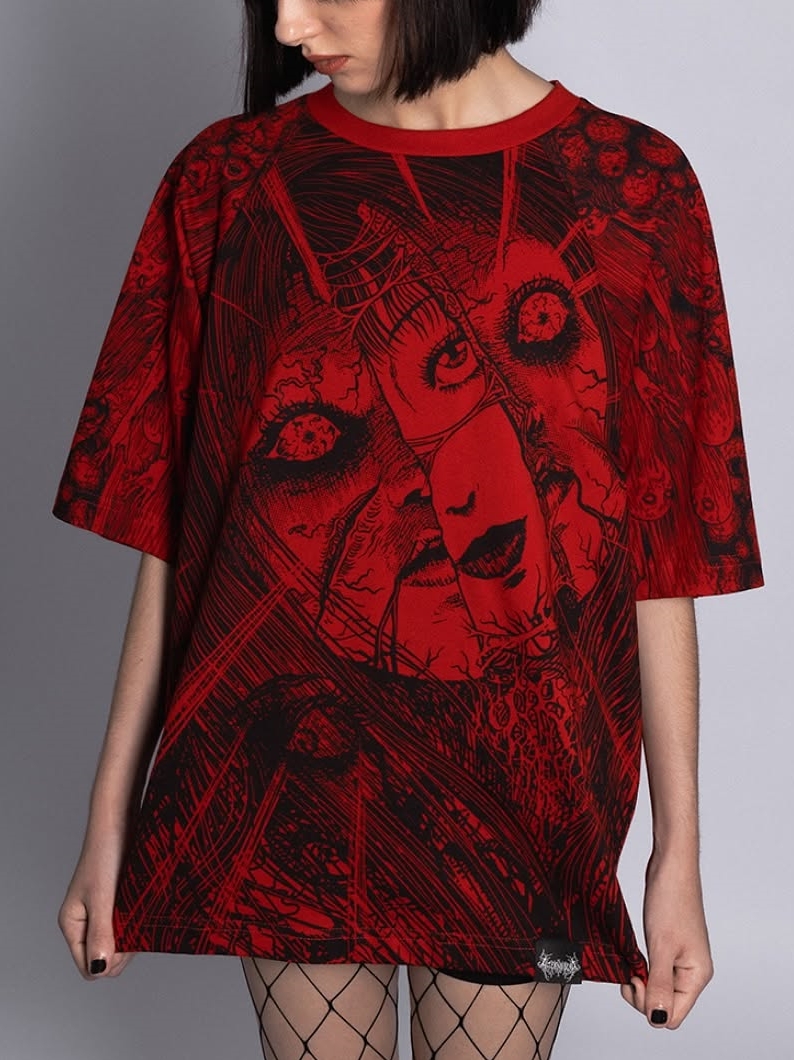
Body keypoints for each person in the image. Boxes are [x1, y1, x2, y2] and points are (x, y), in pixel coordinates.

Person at [52, 1, 764, 1057]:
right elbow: (175, 531)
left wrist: (676, 856)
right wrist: (112, 816)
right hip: (288, 788)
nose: (288, 25)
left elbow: (659, 557)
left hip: (536, 797)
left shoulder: (633, 188)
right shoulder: (226, 184)